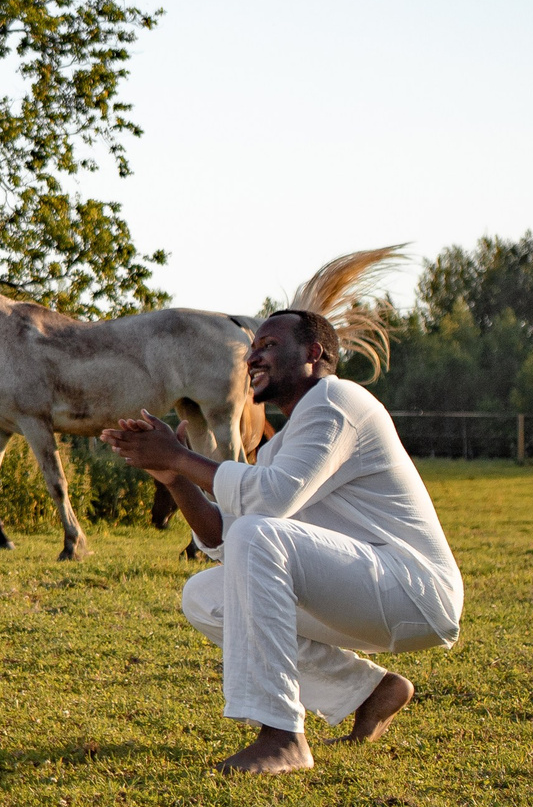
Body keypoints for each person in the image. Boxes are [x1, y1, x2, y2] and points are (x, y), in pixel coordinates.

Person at [101, 305, 463, 775]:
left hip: (415, 589)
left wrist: (181, 456)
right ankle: (369, 692)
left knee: (259, 533)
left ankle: (282, 736)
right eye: (252, 349)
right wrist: (174, 474)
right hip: (367, 590)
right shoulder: (280, 445)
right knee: (206, 596)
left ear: (314, 354)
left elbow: (269, 504)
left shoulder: (338, 403)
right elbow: (226, 538)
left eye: (268, 346)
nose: (253, 358)